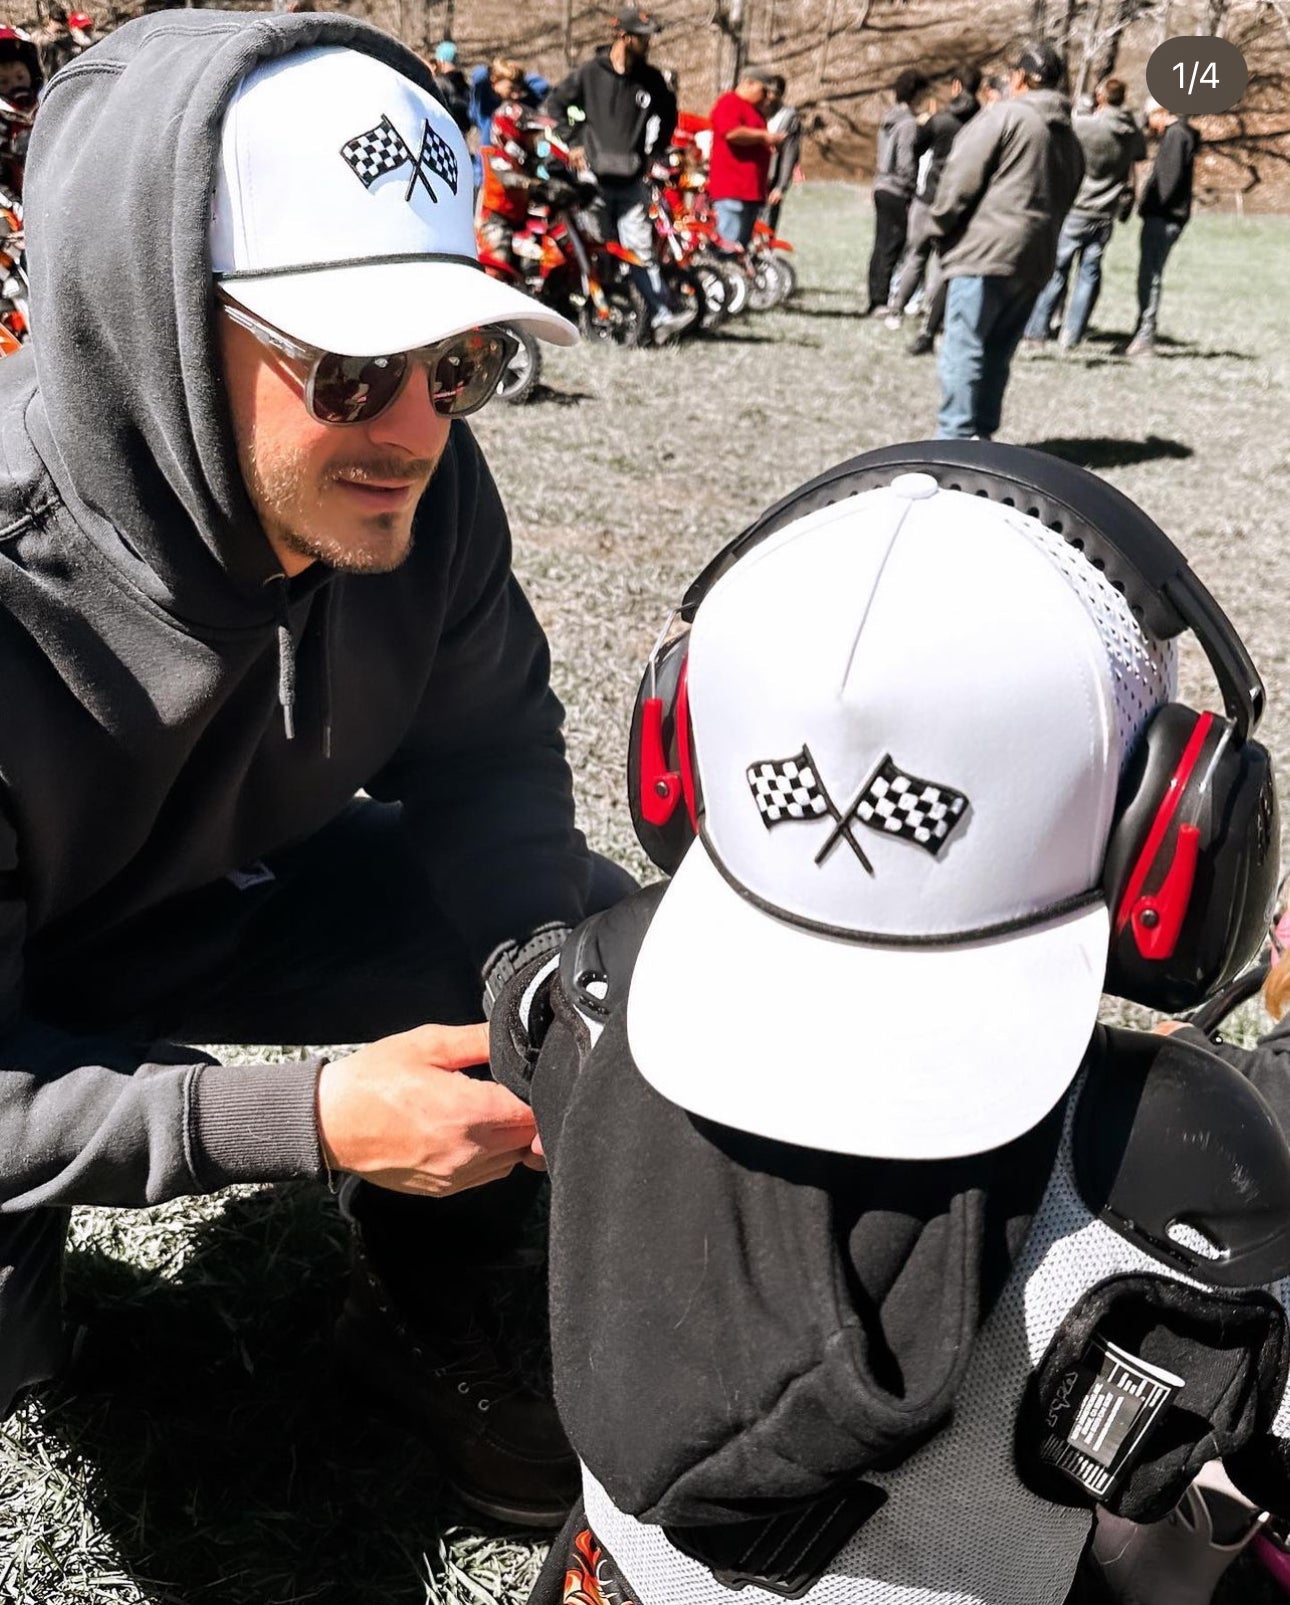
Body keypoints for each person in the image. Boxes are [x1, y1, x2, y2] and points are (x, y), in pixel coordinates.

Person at [0, 9, 638, 1533]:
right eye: (350, 366)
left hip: (208, 898)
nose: (414, 426)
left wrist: (530, 992)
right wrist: (306, 1115)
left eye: (456, 359)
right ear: (155, 318)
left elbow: (489, 756)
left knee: (583, 942)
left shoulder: (425, 491)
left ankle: (428, 1309)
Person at [486, 442, 1287, 1605]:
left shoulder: (602, 984)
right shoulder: (1158, 1161)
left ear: (677, 752)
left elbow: (517, 1006)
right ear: (1173, 827)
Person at [929, 40, 1083, 439]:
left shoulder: (1006, 115)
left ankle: (954, 442)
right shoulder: (1069, 136)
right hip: (1036, 257)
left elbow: (960, 177)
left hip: (985, 251)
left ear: (1019, 78)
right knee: (998, 352)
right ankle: (983, 441)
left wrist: (939, 225)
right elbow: (1068, 195)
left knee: (965, 347)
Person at [545, 8, 690, 343]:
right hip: (593, 181)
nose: (648, 44)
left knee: (640, 250)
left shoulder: (650, 79)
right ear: (624, 36)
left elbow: (669, 114)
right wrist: (574, 142)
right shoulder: (589, 73)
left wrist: (656, 151)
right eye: (643, 38)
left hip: (632, 180)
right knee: (599, 251)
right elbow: (555, 106)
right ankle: (601, 316)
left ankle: (662, 316)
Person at [1023, 77, 1145, 350]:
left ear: (1102, 97)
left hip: (1079, 206)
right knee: (1089, 275)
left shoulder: (1087, 126)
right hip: (1106, 211)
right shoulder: (1131, 131)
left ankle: (1037, 331)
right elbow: (1139, 155)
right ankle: (1073, 334)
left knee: (1057, 271)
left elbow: (1064, 135)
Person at [886, 64, 981, 351]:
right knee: (944, 261)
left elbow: (915, 146)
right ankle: (932, 315)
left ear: (956, 86)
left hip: (928, 197)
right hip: (959, 201)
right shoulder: (981, 123)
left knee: (916, 255)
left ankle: (896, 310)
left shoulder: (941, 120)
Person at [1125, 96, 1198, 358]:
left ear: (1161, 112)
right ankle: (1140, 333)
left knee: (1150, 276)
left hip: (1162, 218)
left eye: (1150, 117)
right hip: (1168, 217)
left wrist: (1149, 205)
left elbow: (1167, 181)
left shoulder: (1176, 136)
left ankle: (1144, 336)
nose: (1149, 124)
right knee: (1149, 275)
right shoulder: (1181, 135)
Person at [865, 68, 929, 316]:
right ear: (916, 94)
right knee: (893, 244)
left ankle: (876, 297)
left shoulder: (888, 119)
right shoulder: (908, 124)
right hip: (897, 189)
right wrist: (912, 186)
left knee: (881, 243)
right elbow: (905, 161)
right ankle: (882, 300)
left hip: (881, 184)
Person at [707, 68, 784, 249]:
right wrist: (763, 137)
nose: (768, 97)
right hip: (733, 190)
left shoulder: (755, 111)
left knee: (741, 248)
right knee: (729, 247)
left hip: (751, 193)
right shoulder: (729, 102)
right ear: (749, 83)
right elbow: (731, 133)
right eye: (764, 91)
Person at [762, 73, 801, 235]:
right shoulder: (756, 111)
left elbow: (790, 154)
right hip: (751, 179)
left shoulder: (788, 117)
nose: (770, 96)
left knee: (766, 227)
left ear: (781, 95)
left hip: (772, 179)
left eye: (775, 93)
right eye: (768, 91)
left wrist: (781, 187)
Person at [428, 39, 472, 136]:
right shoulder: (464, 84)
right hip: (461, 135)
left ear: (441, 62)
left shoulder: (439, 84)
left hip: (443, 134)